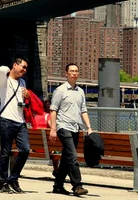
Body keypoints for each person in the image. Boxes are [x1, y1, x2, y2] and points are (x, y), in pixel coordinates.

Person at [49, 63, 93, 196]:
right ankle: (77, 186)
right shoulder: (60, 90)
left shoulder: (80, 91)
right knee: (73, 156)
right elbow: (53, 110)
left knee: (67, 157)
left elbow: (83, 111)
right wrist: (53, 129)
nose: (74, 73)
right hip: (63, 126)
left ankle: (58, 185)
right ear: (66, 73)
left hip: (75, 128)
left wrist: (89, 127)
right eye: (72, 71)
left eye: (76, 71)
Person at [0, 56, 30, 194]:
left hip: (20, 121)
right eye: (22, 66)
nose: (24, 70)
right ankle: (3, 182)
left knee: (25, 150)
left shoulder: (22, 82)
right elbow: (0, 70)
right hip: (6, 120)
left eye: (26, 68)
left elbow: (22, 103)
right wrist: (9, 70)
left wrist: (27, 96)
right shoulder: (3, 80)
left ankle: (13, 178)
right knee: (5, 152)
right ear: (15, 65)